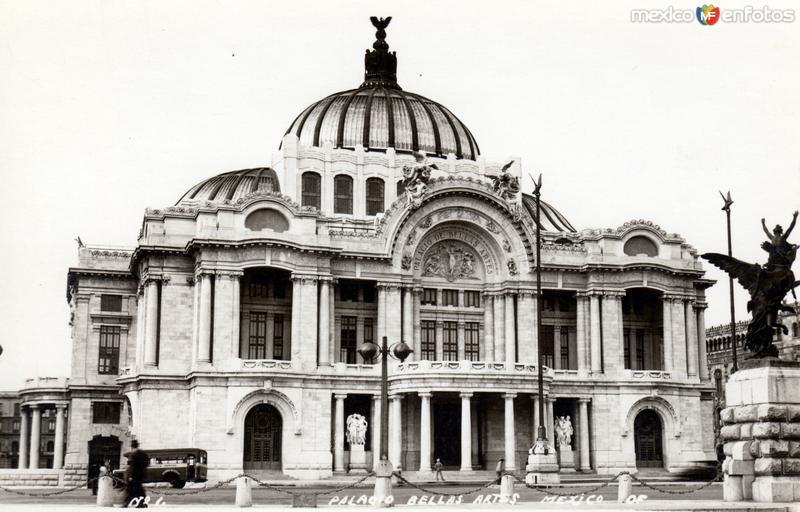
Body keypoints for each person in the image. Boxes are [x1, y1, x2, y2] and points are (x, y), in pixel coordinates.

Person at [124, 440, 149, 508]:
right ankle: (142, 503)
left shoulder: (133, 454)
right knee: (139, 489)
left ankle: (127, 503)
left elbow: (133, 466)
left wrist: (130, 476)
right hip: (140, 475)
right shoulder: (143, 453)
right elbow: (146, 463)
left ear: (132, 446)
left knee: (131, 489)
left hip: (134, 475)